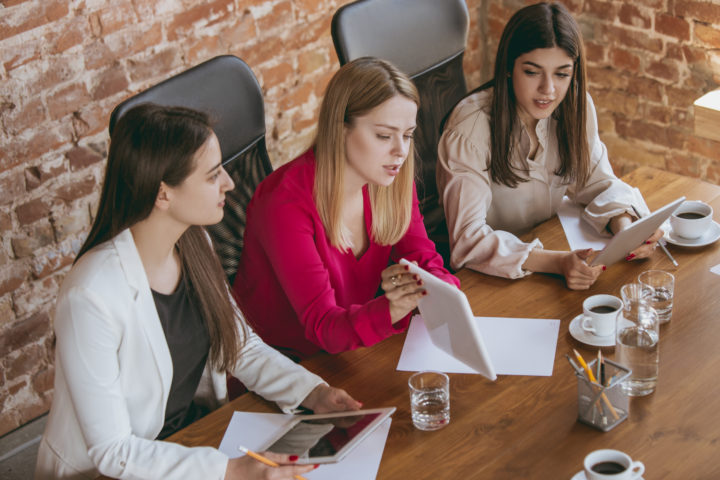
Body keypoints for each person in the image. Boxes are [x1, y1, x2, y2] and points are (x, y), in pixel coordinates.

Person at [35, 104, 361, 480]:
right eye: (212, 176)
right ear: (163, 195)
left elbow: (239, 346)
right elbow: (114, 451)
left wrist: (312, 393)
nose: (230, 183)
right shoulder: (90, 296)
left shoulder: (195, 243)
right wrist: (232, 471)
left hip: (190, 444)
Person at [233, 57, 459, 359]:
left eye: (407, 135)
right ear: (340, 130)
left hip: (351, 354)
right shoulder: (282, 203)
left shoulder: (389, 178)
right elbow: (324, 326)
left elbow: (425, 259)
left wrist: (441, 290)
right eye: (383, 135)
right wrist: (396, 305)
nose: (401, 151)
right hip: (285, 369)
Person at [437, 2, 662, 290]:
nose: (549, 90)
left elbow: (597, 182)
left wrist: (626, 231)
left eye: (562, 74)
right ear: (509, 67)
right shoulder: (469, 128)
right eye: (532, 72)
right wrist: (557, 262)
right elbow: (468, 240)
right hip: (492, 279)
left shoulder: (574, 106)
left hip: (549, 251)